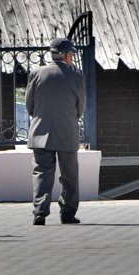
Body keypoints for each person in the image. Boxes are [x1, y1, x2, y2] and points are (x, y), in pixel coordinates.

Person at [25, 37, 86, 225]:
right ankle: (68, 212)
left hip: (40, 131)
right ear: (67, 55)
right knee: (69, 174)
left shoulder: (36, 73)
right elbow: (80, 108)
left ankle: (40, 212)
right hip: (67, 131)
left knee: (42, 173)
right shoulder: (76, 76)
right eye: (72, 54)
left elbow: (29, 105)